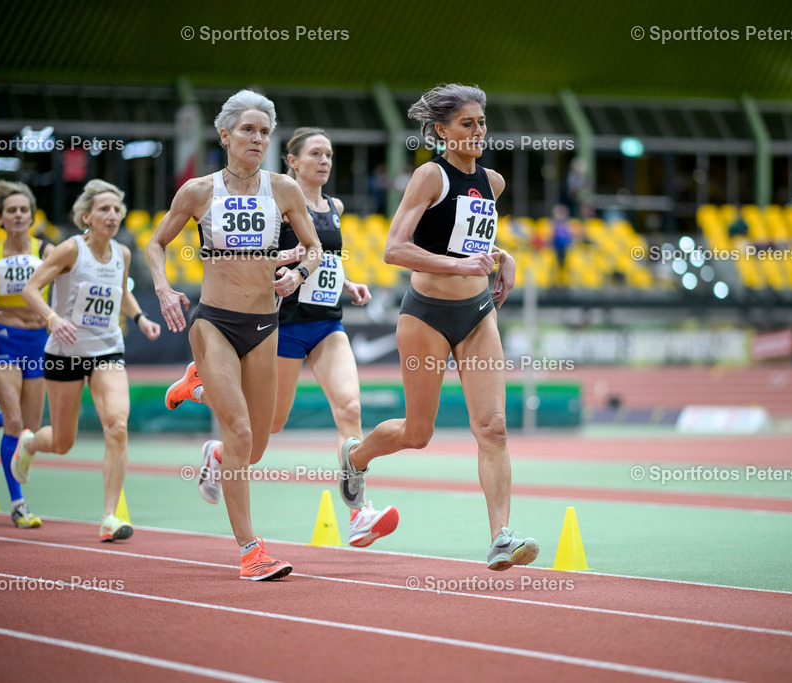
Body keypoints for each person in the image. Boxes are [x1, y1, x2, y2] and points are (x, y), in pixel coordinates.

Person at [337, 83, 539, 571]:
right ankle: (357, 458)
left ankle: (500, 538)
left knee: (493, 428)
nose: (477, 132)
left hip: (476, 316)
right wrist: (459, 267)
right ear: (442, 130)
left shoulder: (493, 183)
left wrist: (502, 257)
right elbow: (394, 250)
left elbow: (472, 241)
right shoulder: (430, 175)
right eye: (467, 124)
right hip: (425, 315)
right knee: (418, 432)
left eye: (482, 123)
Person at [167, 127, 399, 548]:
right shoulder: (271, 198)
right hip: (284, 324)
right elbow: (253, 256)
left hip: (328, 322)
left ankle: (360, 513)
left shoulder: (335, 206)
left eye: (329, 154)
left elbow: (324, 255)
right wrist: (285, 269)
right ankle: (217, 447)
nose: (325, 161)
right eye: (315, 153)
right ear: (292, 161)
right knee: (266, 428)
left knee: (349, 406)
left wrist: (347, 284)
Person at [148, 90, 322, 580]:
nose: (257, 139)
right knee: (241, 430)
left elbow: (313, 249)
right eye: (248, 129)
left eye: (264, 132)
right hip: (215, 324)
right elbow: (157, 243)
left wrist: (298, 276)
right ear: (225, 134)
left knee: (255, 446)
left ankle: (197, 395)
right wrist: (163, 289)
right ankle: (251, 551)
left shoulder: (284, 189)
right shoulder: (199, 192)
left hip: (266, 325)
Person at [11, 179, 161, 542]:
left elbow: (121, 291)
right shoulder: (69, 251)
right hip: (64, 354)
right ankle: (30, 442)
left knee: (118, 427)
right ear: (86, 216)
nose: (112, 216)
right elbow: (31, 288)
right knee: (63, 442)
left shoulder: (123, 254)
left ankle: (108, 517)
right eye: (104, 210)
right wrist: (52, 318)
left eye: (117, 210)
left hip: (107, 351)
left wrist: (140, 317)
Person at [0, 181, 54, 528]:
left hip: (38, 341)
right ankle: (19, 504)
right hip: (4, 338)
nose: (19, 215)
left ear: (31, 216)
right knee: (18, 423)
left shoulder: (47, 251)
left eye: (24, 210)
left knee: (30, 431)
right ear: (0, 217)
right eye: (12, 211)